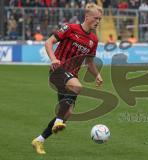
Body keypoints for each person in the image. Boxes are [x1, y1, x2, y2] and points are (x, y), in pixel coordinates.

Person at [31, 3, 103, 154]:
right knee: (77, 87)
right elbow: (49, 42)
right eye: (96, 18)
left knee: (67, 113)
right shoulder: (70, 28)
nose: (98, 21)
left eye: (100, 19)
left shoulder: (94, 41)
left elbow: (89, 61)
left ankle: (39, 140)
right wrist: (53, 59)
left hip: (71, 76)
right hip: (58, 71)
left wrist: (97, 75)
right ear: (87, 17)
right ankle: (58, 121)